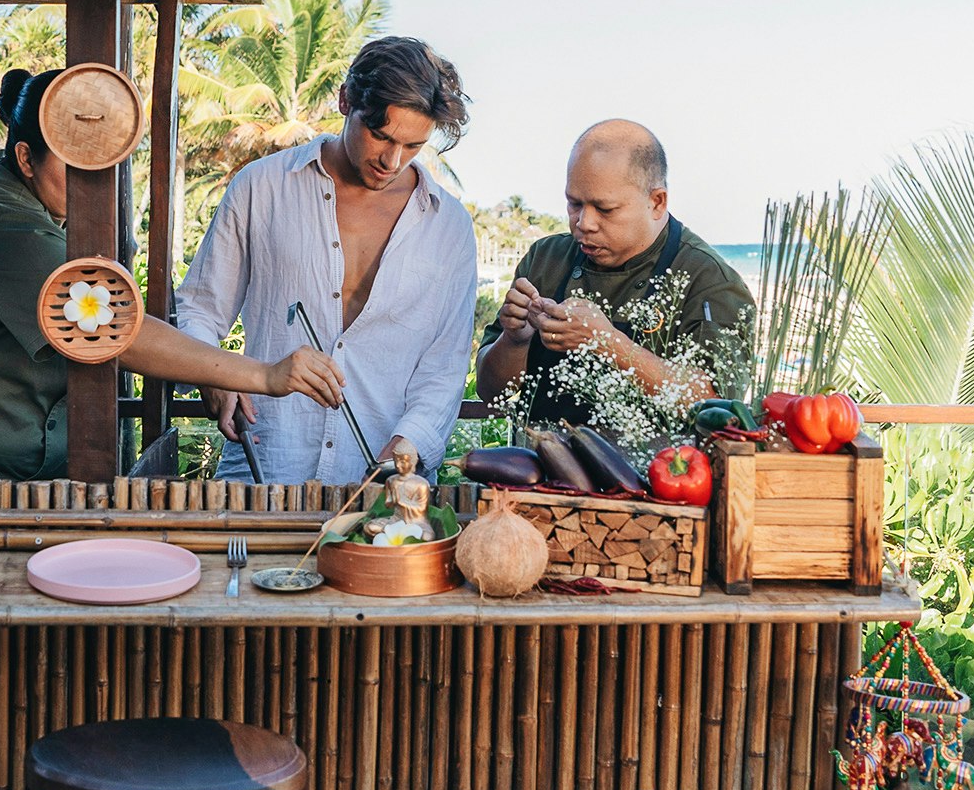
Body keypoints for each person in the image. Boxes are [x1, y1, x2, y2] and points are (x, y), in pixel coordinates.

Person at [0, 67, 344, 482]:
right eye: (72, 163)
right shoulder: (1, 224)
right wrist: (264, 374)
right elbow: (115, 332)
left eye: (98, 162)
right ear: (24, 158)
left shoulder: (53, 220)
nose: (90, 180)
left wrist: (210, 369)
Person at [174, 36, 481, 483]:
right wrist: (214, 375)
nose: (391, 160)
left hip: (383, 486)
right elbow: (201, 308)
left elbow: (445, 366)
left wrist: (409, 444)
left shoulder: (448, 226)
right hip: (264, 464)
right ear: (345, 100)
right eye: (380, 135)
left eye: (413, 146)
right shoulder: (262, 188)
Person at [477, 118, 755, 429]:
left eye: (605, 209)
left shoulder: (710, 282)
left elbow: (717, 408)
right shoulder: (545, 260)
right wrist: (514, 340)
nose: (584, 223)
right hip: (538, 467)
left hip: (660, 473)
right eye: (574, 204)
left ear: (657, 202)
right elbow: (490, 393)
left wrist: (608, 343)